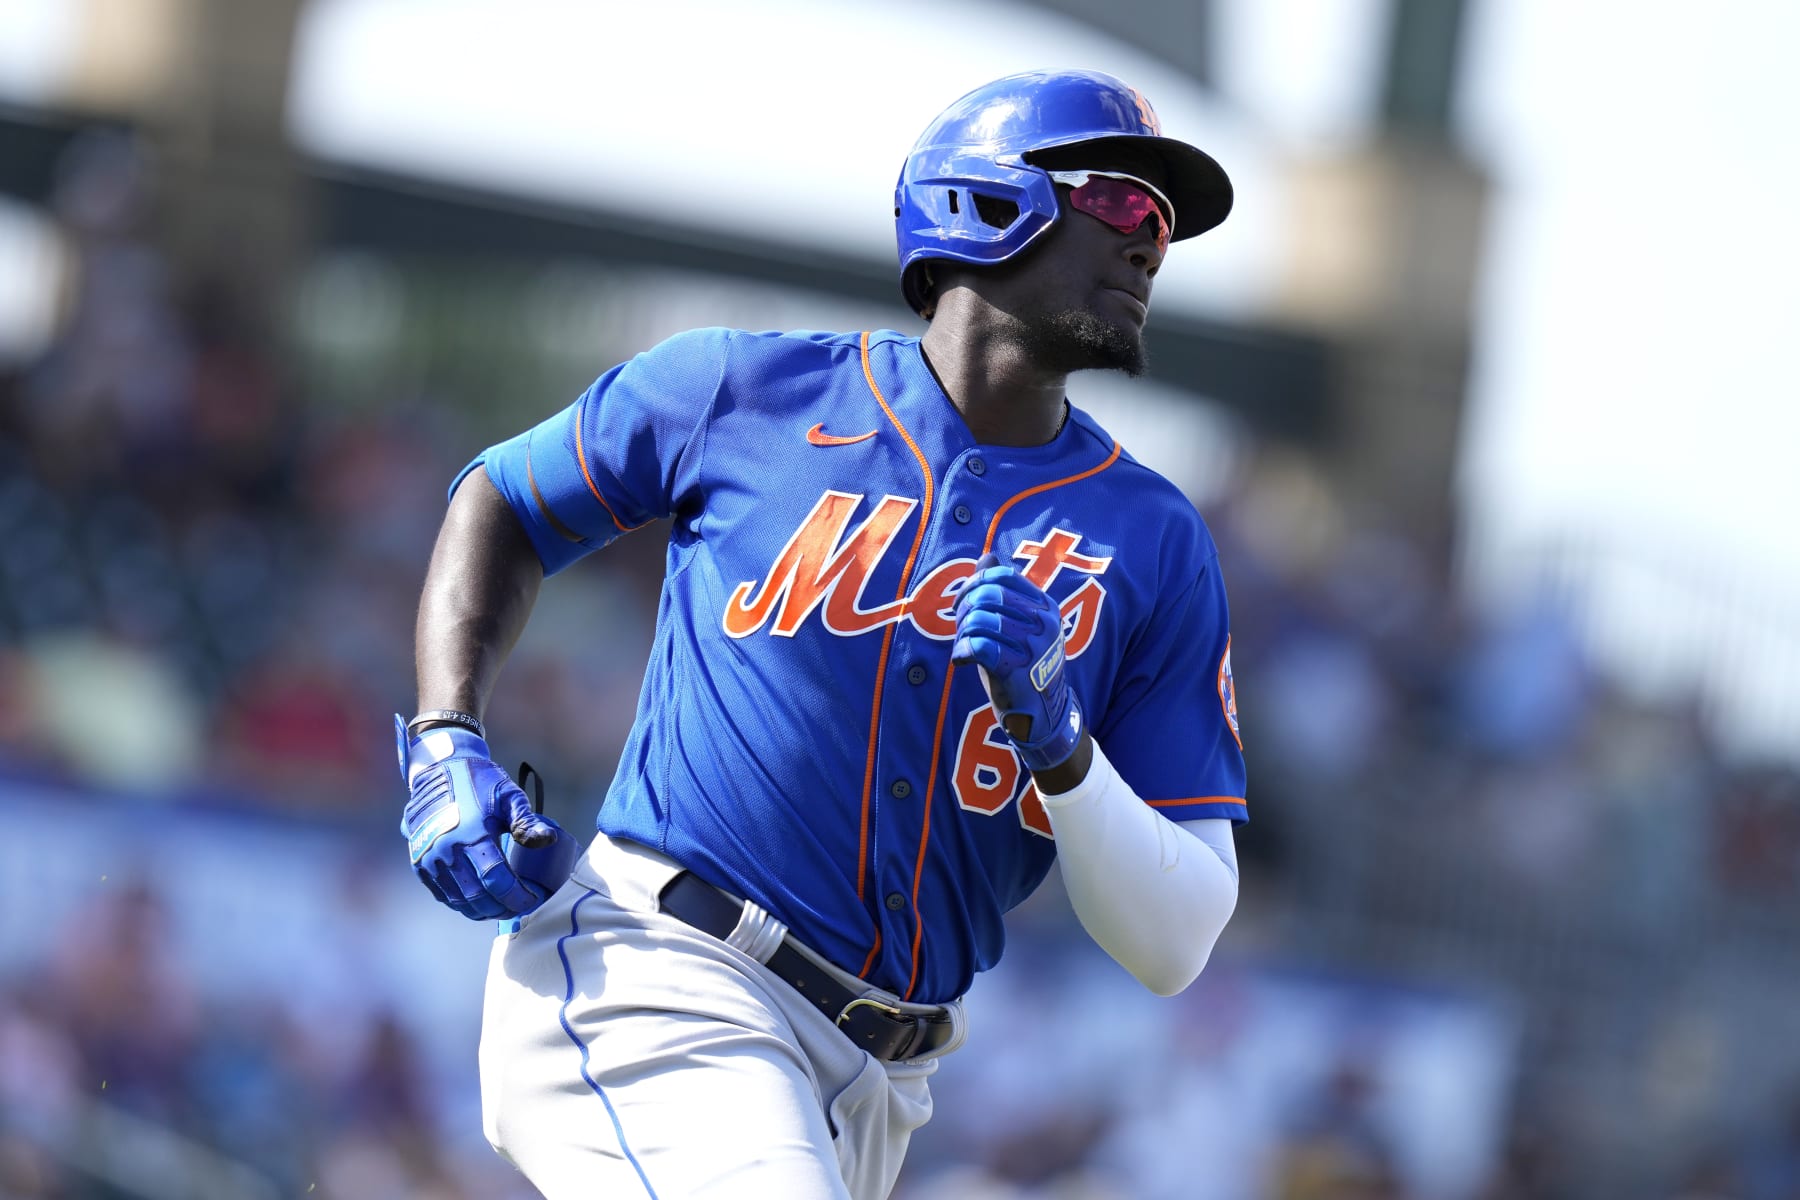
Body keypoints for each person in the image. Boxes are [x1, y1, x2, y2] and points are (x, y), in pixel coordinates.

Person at [397, 67, 1249, 1200]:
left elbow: (1176, 938)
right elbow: (502, 503)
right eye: (1120, 203)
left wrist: (1067, 758)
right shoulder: (744, 393)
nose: (1151, 243)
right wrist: (447, 734)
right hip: (661, 973)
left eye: (1165, 224)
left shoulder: (1153, 538)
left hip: (880, 1085)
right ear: (983, 201)